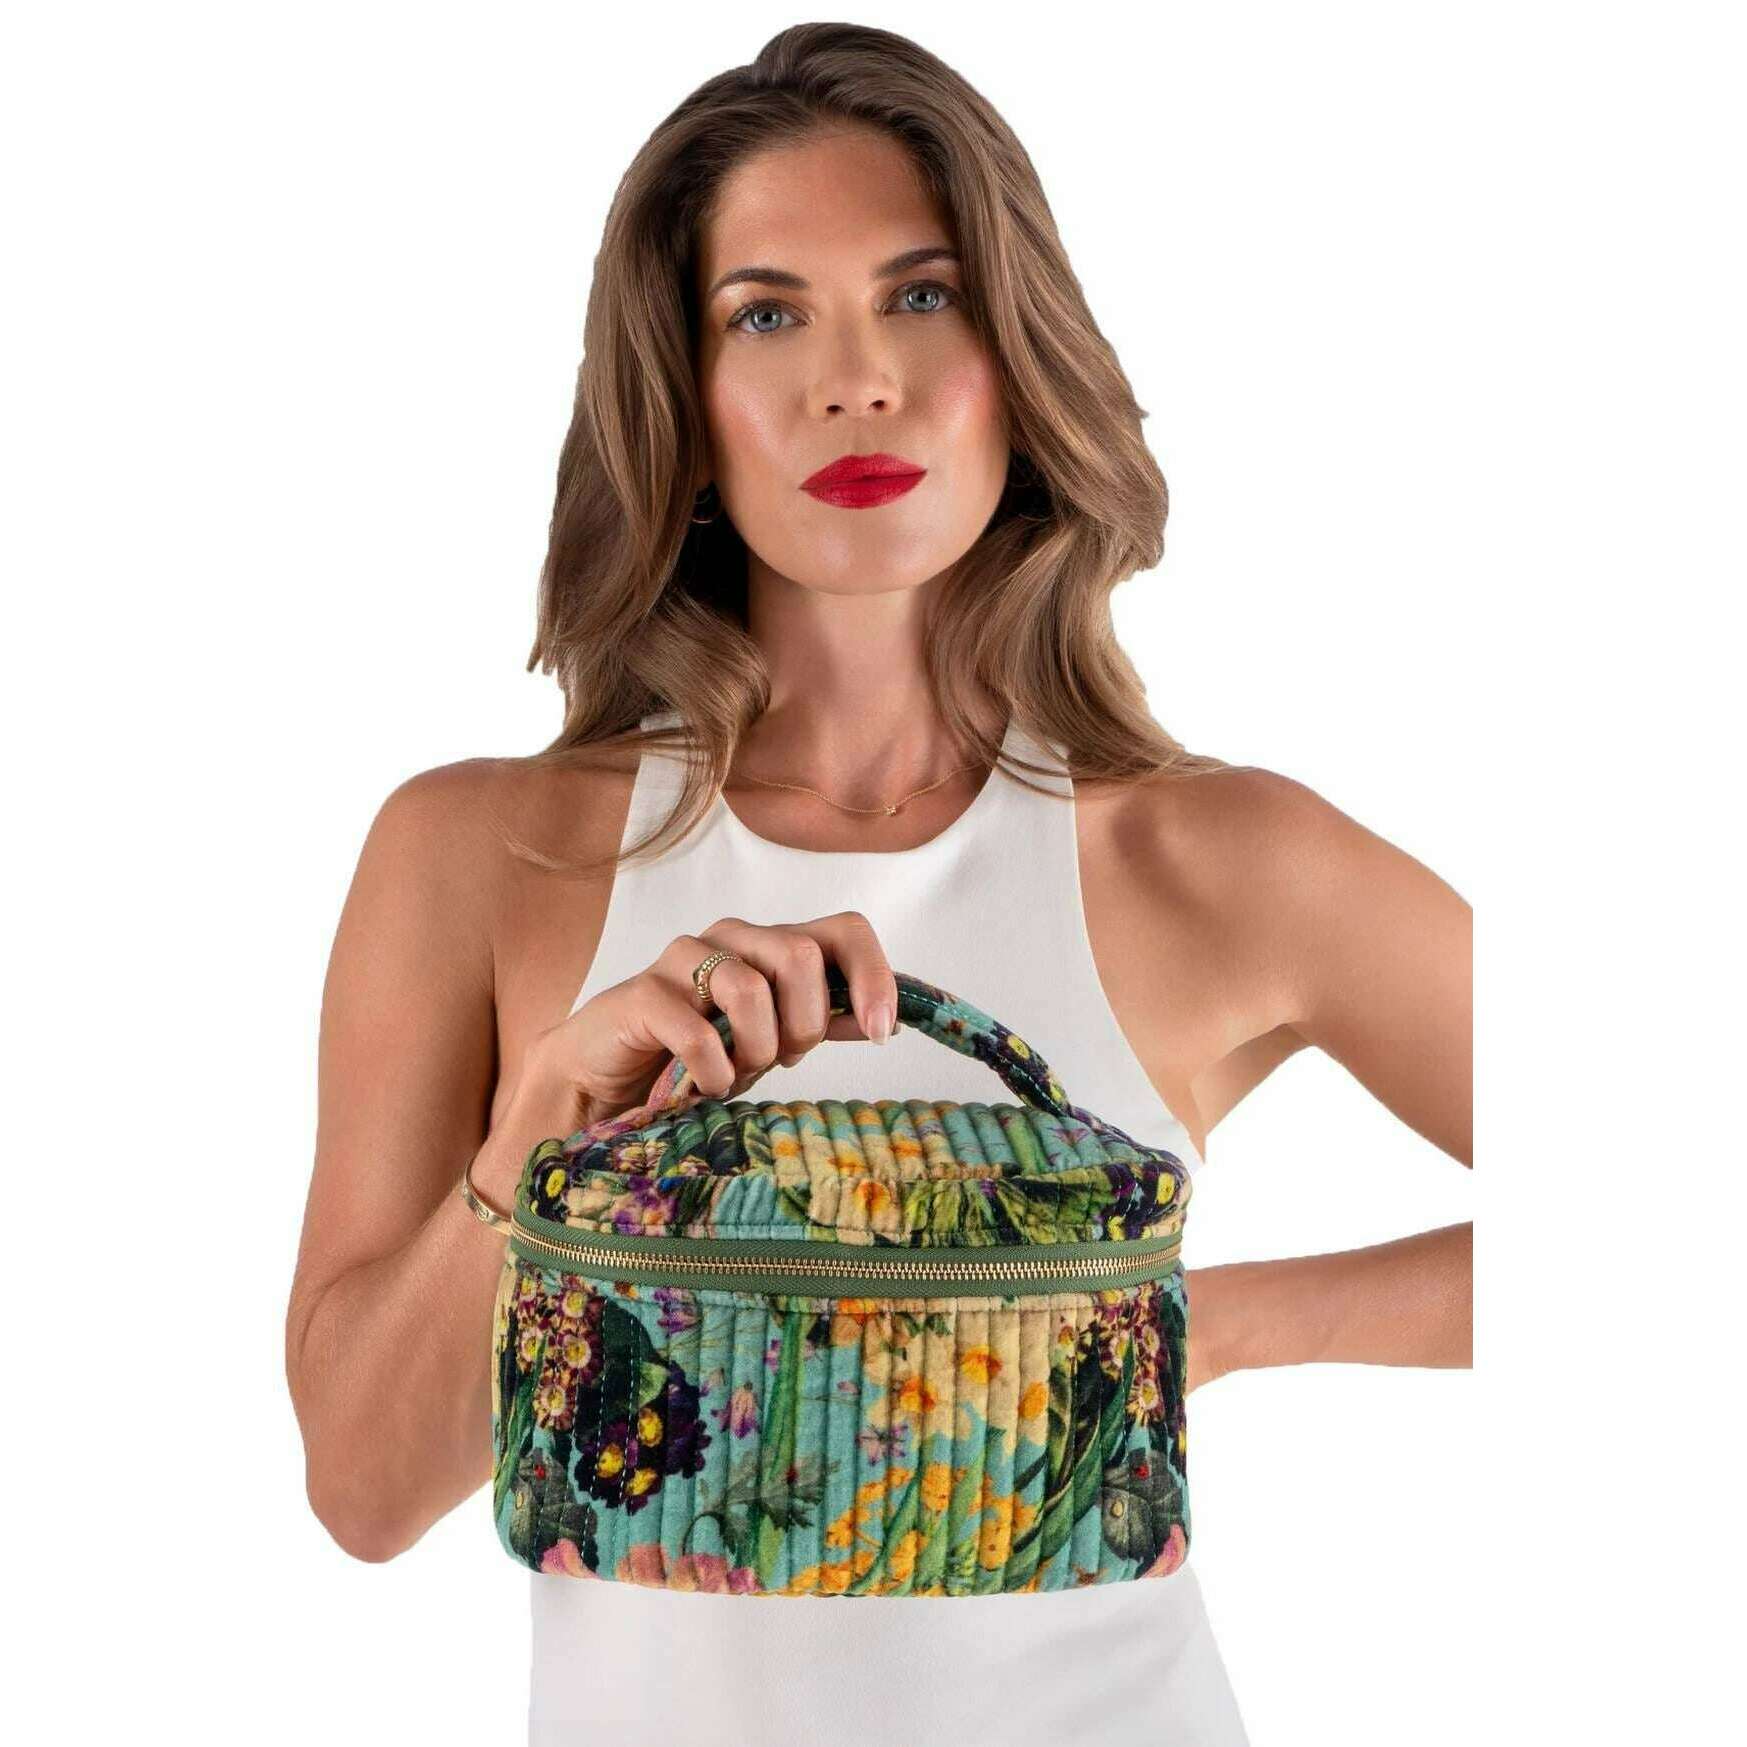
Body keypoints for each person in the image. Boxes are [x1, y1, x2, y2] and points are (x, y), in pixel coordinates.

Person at [285, 22, 1472, 1746]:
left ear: (1016, 355)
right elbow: (360, 1487)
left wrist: (1193, 1326)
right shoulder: (477, 856)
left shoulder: (1214, 858)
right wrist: (542, 1132)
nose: (858, 381)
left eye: (922, 296)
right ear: (685, 408)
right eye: (768, 316)